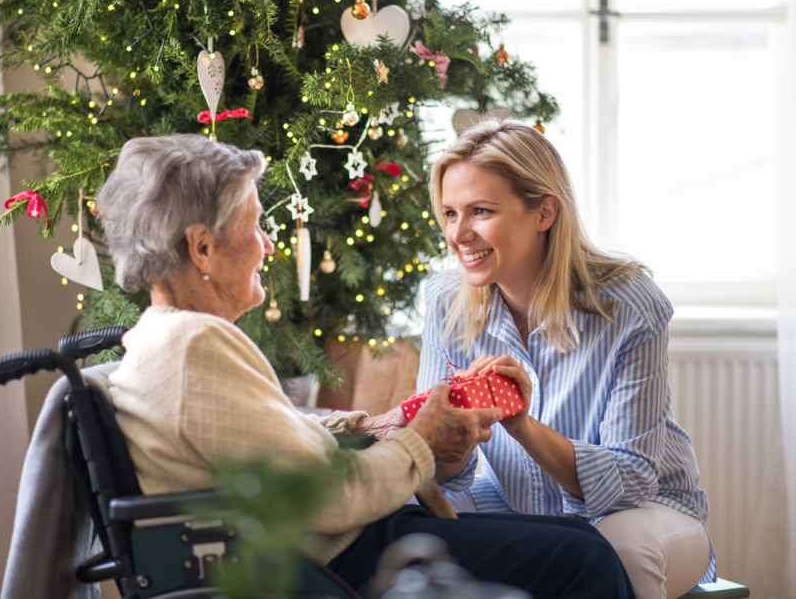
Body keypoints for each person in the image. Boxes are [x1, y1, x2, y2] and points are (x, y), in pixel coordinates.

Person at [97, 133, 636, 599]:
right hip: (336, 559)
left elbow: (266, 434)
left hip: (339, 544)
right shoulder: (194, 345)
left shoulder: (167, 339)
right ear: (203, 248)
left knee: (583, 543)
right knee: (585, 559)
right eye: (254, 226)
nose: (266, 245)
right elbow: (328, 498)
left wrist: (371, 425)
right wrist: (421, 440)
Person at [418, 118, 714, 599]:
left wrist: (521, 425)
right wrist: (450, 436)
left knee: (619, 549)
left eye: (481, 211)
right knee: (427, 532)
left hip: (644, 513)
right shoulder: (443, 303)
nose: (459, 234)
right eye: (450, 213)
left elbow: (632, 481)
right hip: (510, 505)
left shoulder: (630, 305)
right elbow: (440, 473)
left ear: (544, 213)